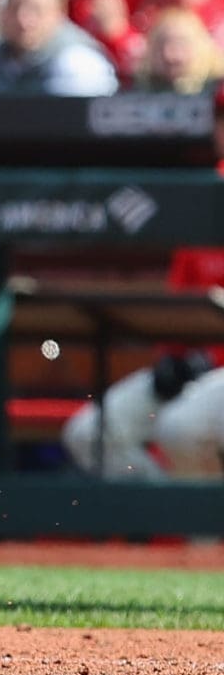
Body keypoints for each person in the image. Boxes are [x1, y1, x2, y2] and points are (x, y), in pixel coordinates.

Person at [61, 83, 224, 479]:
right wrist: (173, 358)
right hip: (192, 369)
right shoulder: (205, 193)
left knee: (180, 431)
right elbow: (180, 302)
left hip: (216, 368)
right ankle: (177, 525)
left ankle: (201, 530)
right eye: (222, 119)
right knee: (89, 434)